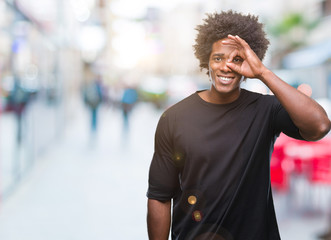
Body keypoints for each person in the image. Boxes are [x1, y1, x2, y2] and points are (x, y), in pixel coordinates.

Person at [146, 10, 331, 240]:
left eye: (237, 59)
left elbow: (320, 126)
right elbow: (159, 196)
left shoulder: (266, 110)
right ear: (207, 60)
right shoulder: (174, 118)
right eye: (218, 58)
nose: (226, 67)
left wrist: (263, 73)